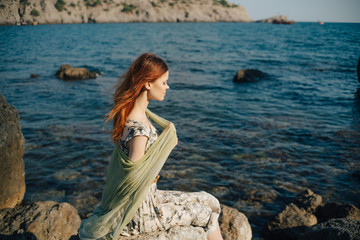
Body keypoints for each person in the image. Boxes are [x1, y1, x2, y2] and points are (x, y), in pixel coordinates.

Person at [78, 53, 223, 240]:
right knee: (206, 214)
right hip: (141, 212)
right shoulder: (140, 131)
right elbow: (134, 178)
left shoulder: (132, 113)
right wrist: (164, 149)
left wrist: (164, 141)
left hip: (148, 197)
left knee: (209, 199)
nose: (167, 87)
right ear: (148, 83)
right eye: (163, 82)